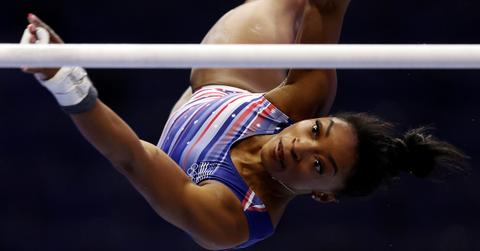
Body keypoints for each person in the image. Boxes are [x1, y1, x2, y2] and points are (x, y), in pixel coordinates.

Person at [21, 0, 467, 249]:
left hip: (184, 149)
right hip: (225, 89)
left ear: (324, 195)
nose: (300, 147)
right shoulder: (300, 103)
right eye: (316, 131)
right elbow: (327, 8)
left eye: (318, 166)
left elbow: (132, 158)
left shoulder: (230, 218)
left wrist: (65, 77)